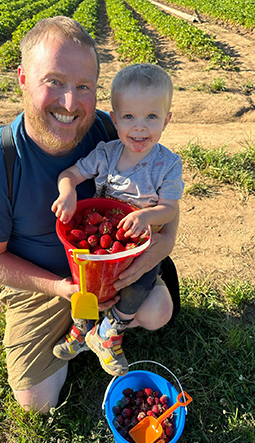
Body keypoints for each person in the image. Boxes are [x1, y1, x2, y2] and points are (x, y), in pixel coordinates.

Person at [0, 16, 180, 415]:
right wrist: (63, 289)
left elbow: (162, 201)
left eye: (83, 87)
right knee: (38, 403)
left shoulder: (107, 131)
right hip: (45, 281)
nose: (69, 102)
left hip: (111, 268)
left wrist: (161, 245)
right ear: (24, 79)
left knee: (157, 312)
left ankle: (99, 330)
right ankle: (80, 323)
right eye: (54, 82)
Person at [51, 63, 184, 377]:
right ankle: (81, 329)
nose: (139, 128)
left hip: (138, 248)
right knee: (86, 285)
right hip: (106, 242)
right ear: (114, 119)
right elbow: (70, 174)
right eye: (129, 117)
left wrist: (148, 215)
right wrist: (68, 190)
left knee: (141, 283)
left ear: (167, 119)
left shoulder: (168, 164)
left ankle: (109, 332)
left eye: (151, 117)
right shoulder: (106, 154)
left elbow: (169, 209)